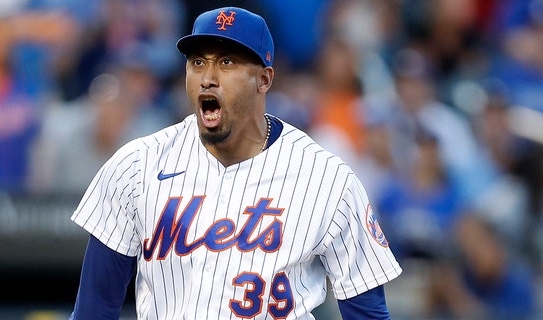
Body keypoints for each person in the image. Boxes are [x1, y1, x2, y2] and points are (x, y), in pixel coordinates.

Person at [69, 6, 402, 319]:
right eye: (197, 62)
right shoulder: (135, 167)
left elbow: (368, 312)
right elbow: (94, 310)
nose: (208, 77)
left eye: (227, 63)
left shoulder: (327, 179)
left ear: (264, 79)